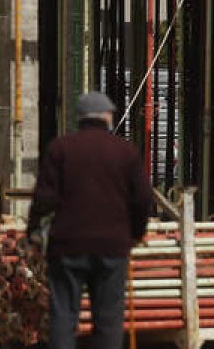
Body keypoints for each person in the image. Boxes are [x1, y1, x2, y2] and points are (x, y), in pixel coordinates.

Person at [28, 91, 153, 349]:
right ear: (107, 117)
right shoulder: (125, 152)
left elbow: (44, 198)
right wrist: (136, 233)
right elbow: (142, 198)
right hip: (112, 246)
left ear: (80, 118)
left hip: (67, 245)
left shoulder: (60, 149)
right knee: (108, 320)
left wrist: (33, 230)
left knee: (63, 317)